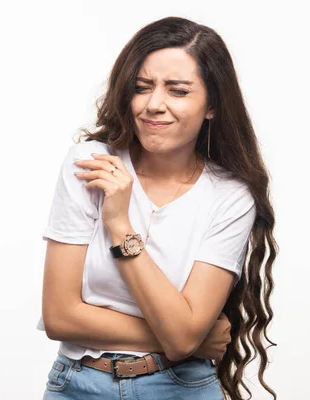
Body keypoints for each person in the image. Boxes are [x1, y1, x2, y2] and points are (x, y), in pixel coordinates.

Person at [37, 16, 278, 400]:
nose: (154, 105)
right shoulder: (91, 165)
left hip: (182, 387)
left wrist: (119, 225)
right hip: (79, 386)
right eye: (141, 87)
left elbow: (182, 337)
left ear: (212, 104)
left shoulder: (230, 196)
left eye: (178, 91)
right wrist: (190, 337)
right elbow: (60, 316)